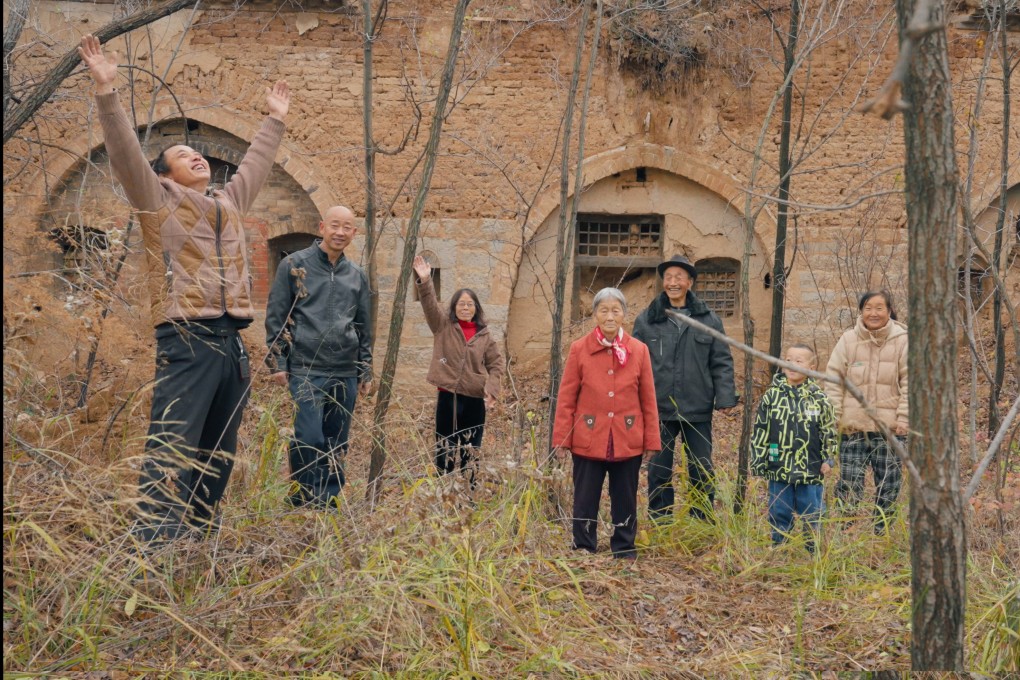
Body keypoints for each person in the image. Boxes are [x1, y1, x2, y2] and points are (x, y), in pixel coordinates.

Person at [78, 35, 290, 542]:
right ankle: (154, 549)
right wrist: (107, 91)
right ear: (164, 172)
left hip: (232, 345)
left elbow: (256, 166)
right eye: (181, 154)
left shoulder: (229, 203)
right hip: (187, 341)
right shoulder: (156, 201)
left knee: (218, 455)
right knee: (172, 447)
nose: (196, 157)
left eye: (198, 154)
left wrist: (274, 121)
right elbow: (126, 153)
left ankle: (197, 542)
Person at [264, 206, 373, 507]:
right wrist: (278, 362)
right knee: (308, 436)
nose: (340, 232)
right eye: (334, 225)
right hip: (306, 366)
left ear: (354, 233)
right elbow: (277, 316)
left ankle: (328, 500)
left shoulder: (357, 276)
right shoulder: (294, 265)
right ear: (322, 227)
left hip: (345, 369)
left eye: (347, 227)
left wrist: (365, 370)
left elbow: (364, 324)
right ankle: (302, 496)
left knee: (337, 439)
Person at [552, 288, 660, 559]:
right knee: (585, 496)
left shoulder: (639, 350)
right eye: (604, 310)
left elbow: (648, 399)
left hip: (627, 436)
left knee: (625, 496)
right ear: (595, 314)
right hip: (588, 435)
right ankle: (584, 545)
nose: (610, 316)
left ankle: (624, 547)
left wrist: (651, 440)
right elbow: (566, 397)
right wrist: (562, 439)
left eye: (616, 310)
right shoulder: (580, 349)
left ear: (624, 314)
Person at [633, 255, 737, 522]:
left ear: (690, 282)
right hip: (660, 408)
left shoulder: (709, 320)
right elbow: (635, 364)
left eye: (679, 277)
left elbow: (722, 361)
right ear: (663, 283)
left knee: (701, 467)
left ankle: (701, 519)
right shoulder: (647, 320)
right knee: (658, 469)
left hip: (697, 407)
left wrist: (725, 398)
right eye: (668, 277)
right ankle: (660, 519)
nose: (673, 282)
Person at [411, 255, 503, 489]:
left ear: (476, 309)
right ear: (454, 308)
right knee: (445, 446)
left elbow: (496, 364)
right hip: (448, 396)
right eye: (460, 304)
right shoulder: (443, 326)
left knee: (471, 449)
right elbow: (430, 304)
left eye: (469, 304)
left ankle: (468, 494)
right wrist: (425, 280)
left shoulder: (485, 336)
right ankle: (443, 492)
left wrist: (492, 390)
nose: (465, 307)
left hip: (473, 399)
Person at [824, 290, 908, 533]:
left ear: (889, 310)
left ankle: (882, 534)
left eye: (879, 308)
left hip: (889, 428)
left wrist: (904, 417)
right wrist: (834, 417)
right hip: (853, 427)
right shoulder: (848, 340)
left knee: (889, 484)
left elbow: (911, 382)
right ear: (861, 311)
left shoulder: (903, 340)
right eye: (868, 307)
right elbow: (833, 380)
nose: (874, 313)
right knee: (849, 484)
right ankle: (846, 533)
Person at [751, 344, 837, 552]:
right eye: (788, 360)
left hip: (810, 466)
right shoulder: (772, 396)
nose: (792, 365)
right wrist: (759, 460)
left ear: (811, 366)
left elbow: (828, 431)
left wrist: (828, 458)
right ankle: (780, 546)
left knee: (812, 510)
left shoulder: (819, 398)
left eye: (799, 361)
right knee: (779, 508)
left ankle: (813, 549)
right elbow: (761, 429)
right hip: (778, 463)